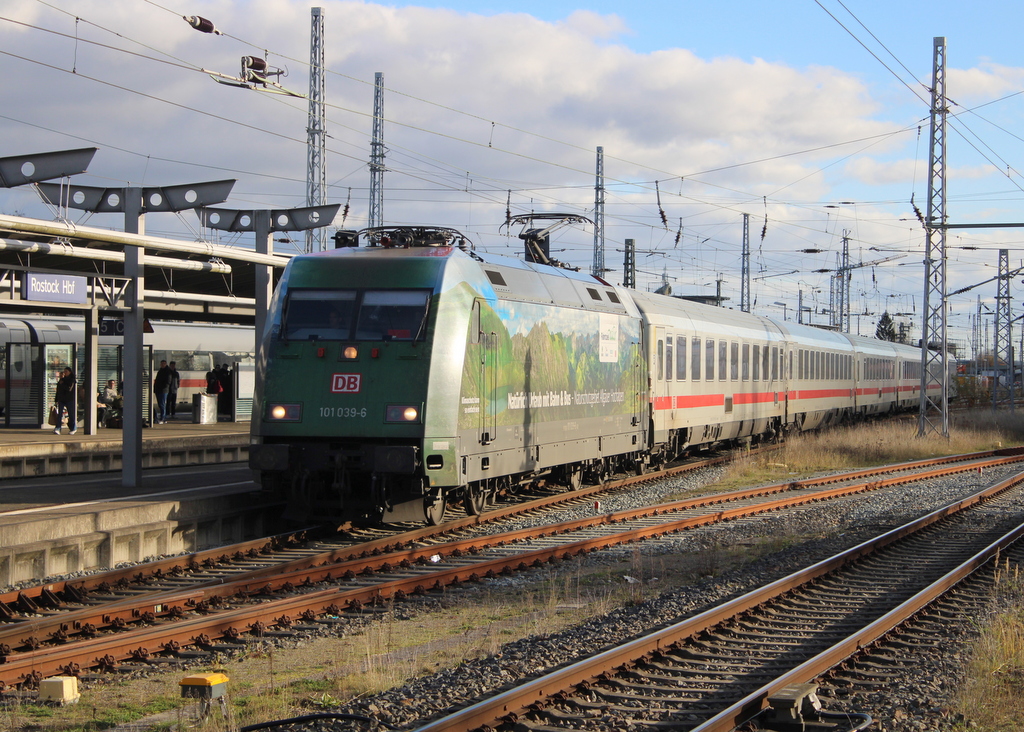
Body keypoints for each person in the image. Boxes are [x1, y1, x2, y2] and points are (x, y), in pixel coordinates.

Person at [53, 367, 77, 436]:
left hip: (69, 399)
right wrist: (56, 399)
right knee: (59, 414)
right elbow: (58, 390)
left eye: (66, 371)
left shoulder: (72, 380)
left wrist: (62, 383)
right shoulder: (61, 380)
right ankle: (58, 428)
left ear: (69, 372)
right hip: (61, 399)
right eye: (64, 371)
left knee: (70, 414)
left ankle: (73, 428)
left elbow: (69, 389)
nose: (65, 373)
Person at [153, 359, 171, 425]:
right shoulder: (160, 371)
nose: (162, 365)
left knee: (162, 404)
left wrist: (163, 387)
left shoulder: (167, 371)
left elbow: (168, 381)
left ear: (165, 364)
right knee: (160, 404)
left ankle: (163, 418)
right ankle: (162, 417)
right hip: (158, 390)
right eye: (161, 364)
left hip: (163, 390)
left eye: (163, 364)